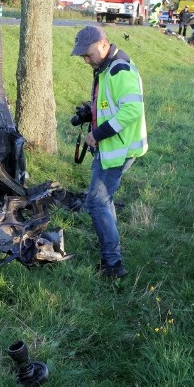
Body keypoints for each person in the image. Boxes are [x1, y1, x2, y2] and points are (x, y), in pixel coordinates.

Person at [70, 25, 148, 278]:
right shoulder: (105, 67)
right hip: (113, 147)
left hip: (117, 149)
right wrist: (89, 113)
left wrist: (97, 133)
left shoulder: (118, 70)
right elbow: (109, 104)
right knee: (104, 201)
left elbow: (131, 110)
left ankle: (113, 265)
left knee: (95, 203)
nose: (85, 60)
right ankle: (110, 247)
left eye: (87, 54)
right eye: (82, 56)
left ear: (103, 44)